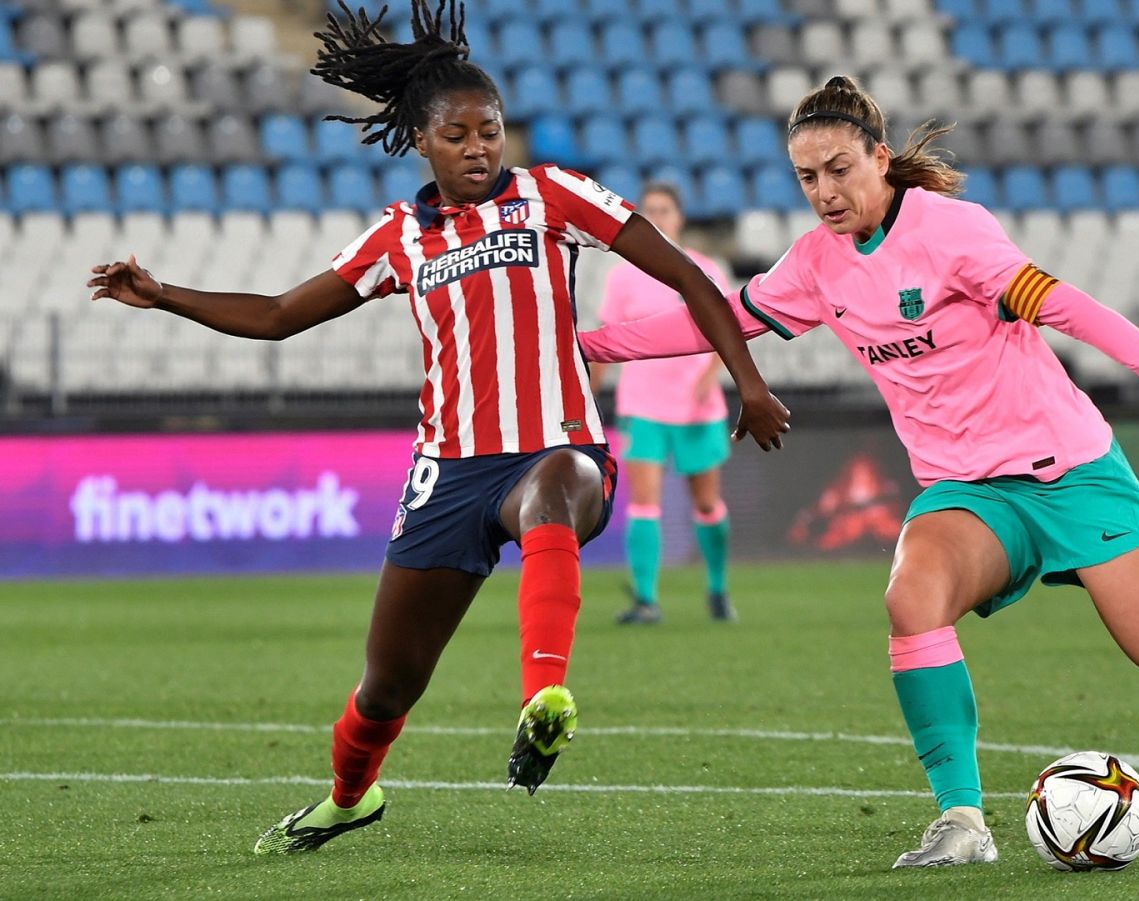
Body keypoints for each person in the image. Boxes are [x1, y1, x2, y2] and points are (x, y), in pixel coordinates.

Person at [578, 75, 1139, 869]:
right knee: (912, 594)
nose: (824, 192)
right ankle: (961, 817)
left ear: (878, 155)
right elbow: (712, 319)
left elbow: (1069, 306)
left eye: (838, 170)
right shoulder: (816, 264)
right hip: (969, 493)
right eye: (805, 178)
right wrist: (580, 346)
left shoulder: (952, 232)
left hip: (1069, 471)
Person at [86, 0, 788, 855]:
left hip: (553, 442)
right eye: (458, 135)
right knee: (386, 687)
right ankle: (350, 797)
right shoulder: (397, 236)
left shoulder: (552, 196)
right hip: (447, 470)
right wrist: (164, 295)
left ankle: (544, 697)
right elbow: (275, 314)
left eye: (489, 131)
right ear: (423, 140)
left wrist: (748, 383)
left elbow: (687, 275)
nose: (479, 148)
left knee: (556, 491)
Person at [588, 182, 737, 624]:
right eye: (648, 210)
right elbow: (605, 339)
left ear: (679, 217)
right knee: (644, 503)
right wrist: (588, 395)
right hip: (643, 404)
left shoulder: (706, 269)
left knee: (707, 504)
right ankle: (646, 600)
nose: (657, 217)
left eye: (664, 209)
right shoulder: (623, 277)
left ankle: (717, 587)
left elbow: (728, 333)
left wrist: (708, 378)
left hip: (697, 408)